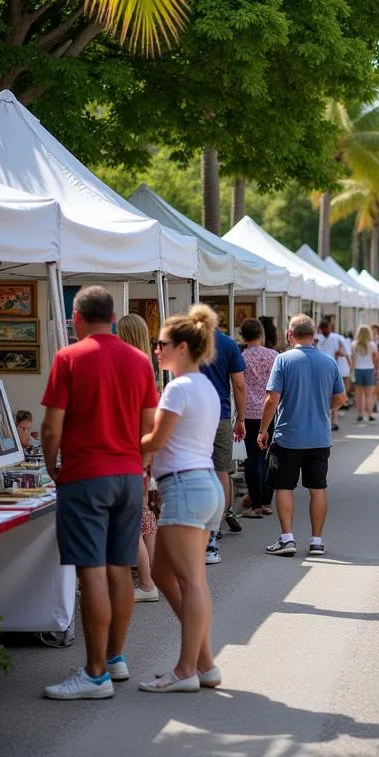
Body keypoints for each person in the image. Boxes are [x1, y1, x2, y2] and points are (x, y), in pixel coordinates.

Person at [41, 287, 159, 700]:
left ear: (76, 317)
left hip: (85, 475)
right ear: (112, 317)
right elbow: (151, 426)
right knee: (119, 566)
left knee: (90, 569)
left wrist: (52, 464)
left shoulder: (69, 358)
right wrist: (139, 466)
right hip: (129, 475)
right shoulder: (140, 361)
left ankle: (94, 675)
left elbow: (52, 426)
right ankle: (114, 658)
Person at [139, 305, 223, 692]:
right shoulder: (203, 385)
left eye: (162, 344)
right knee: (164, 575)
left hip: (187, 486)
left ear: (183, 347)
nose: (157, 350)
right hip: (198, 485)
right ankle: (203, 663)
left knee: (190, 580)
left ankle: (187, 668)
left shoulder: (179, 387)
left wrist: (118, 439)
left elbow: (156, 441)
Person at [259, 315, 346, 557]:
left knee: (284, 487)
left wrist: (263, 430)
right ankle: (316, 541)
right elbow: (341, 398)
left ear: (290, 334)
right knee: (318, 488)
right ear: (314, 334)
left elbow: (271, 401)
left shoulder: (283, 360)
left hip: (288, 435)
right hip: (319, 436)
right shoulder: (329, 362)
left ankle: (287, 538)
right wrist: (321, 407)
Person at [116, 313, 160, 603]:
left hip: (127, 449)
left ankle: (146, 583)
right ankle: (150, 577)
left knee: (131, 520)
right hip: (145, 448)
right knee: (145, 515)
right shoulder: (147, 365)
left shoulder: (124, 365)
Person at [199, 324, 246, 565]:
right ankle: (215, 531)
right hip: (220, 415)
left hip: (191, 415)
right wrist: (241, 418)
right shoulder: (228, 344)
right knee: (221, 471)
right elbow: (238, 384)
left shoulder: (186, 339)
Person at [239, 318, 278, 518]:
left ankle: (255, 503)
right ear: (261, 334)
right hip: (270, 410)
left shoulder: (241, 357)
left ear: (242, 336)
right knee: (268, 457)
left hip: (248, 412)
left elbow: (237, 386)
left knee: (252, 459)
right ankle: (267, 501)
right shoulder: (274, 355)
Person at [315, 318, 349, 432]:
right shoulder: (321, 338)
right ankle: (333, 421)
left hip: (324, 369)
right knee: (333, 395)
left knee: (330, 395)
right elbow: (346, 352)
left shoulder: (321, 338)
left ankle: (333, 421)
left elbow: (344, 352)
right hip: (330, 368)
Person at [351, 325, 378, 423]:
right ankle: (370, 414)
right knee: (369, 394)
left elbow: (353, 359)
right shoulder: (372, 344)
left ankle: (360, 414)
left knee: (359, 394)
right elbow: (375, 358)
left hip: (358, 369)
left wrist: (352, 371)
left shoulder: (354, 344)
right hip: (369, 369)